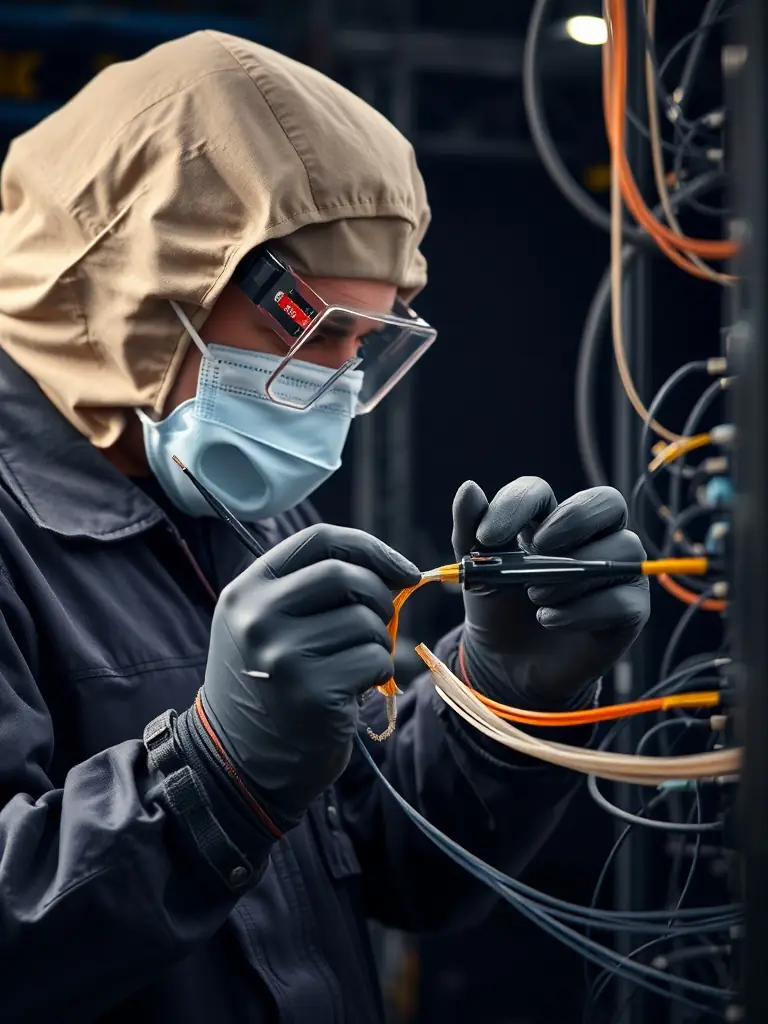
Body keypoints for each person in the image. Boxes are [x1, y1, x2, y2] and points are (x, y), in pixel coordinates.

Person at [0, 31, 650, 1023]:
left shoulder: (224, 495)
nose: (330, 391)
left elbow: (381, 855)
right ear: (134, 286)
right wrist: (211, 775)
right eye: (307, 334)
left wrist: (502, 698)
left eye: (361, 343)